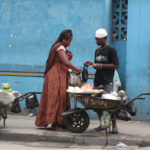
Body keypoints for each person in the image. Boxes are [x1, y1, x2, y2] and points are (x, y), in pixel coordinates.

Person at [35, 29, 80, 131]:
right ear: (64, 39)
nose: (70, 43)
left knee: (61, 98)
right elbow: (65, 62)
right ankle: (55, 123)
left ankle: (61, 122)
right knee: (57, 98)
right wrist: (77, 69)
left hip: (60, 74)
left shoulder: (59, 46)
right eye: (69, 41)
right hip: (55, 75)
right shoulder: (60, 47)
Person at [84, 28, 119, 134]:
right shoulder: (97, 51)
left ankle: (114, 126)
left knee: (109, 105)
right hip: (97, 81)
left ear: (103, 38)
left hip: (107, 81)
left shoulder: (111, 49)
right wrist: (91, 64)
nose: (96, 42)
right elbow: (97, 65)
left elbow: (116, 65)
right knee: (97, 104)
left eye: (97, 39)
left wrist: (101, 65)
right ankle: (103, 124)